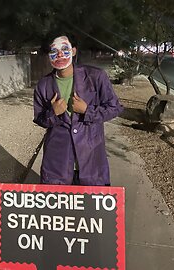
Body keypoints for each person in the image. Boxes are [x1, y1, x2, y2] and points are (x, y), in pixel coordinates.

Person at [33, 35, 124, 186]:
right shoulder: (43, 85)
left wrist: (87, 110)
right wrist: (53, 113)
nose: (60, 54)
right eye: (54, 51)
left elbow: (115, 108)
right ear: (49, 55)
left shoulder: (95, 77)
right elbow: (40, 119)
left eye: (64, 49)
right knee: (59, 208)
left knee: (91, 207)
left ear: (74, 51)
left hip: (91, 159)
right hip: (57, 162)